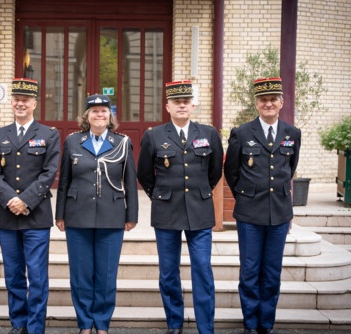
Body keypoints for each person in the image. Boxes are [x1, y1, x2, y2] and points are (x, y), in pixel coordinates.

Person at [137, 80, 223, 334]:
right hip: (166, 211)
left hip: (200, 210)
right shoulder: (154, 135)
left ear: (193, 105)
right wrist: (160, 196)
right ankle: (174, 322)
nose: (182, 105)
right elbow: (144, 174)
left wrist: (199, 193)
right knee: (168, 272)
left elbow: (215, 171)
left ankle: (205, 326)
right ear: (168, 106)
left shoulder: (208, 134)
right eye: (177, 102)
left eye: (186, 102)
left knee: (202, 270)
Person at [55, 94, 139, 334]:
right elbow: (64, 181)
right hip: (77, 216)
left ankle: (101, 323)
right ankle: (84, 323)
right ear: (87, 116)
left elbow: (130, 182)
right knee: (81, 274)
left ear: (110, 116)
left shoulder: (122, 142)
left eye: (104, 111)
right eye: (95, 111)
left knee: (106, 274)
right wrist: (60, 214)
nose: (99, 115)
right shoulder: (73, 142)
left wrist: (131, 214)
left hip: (112, 216)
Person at [224, 77, 301, 334]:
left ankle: (266, 323)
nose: (268, 104)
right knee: (250, 271)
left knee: (271, 271)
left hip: (279, 213)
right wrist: (247, 196)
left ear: (281, 102)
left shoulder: (292, 133)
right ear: (256, 103)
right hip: (249, 213)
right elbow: (232, 172)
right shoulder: (242, 133)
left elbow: (289, 170)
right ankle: (250, 323)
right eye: (263, 100)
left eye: (272, 99)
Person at [0, 78, 61, 334]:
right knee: (13, 274)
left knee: (37, 276)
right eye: (17, 99)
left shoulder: (49, 134)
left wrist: (25, 201)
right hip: (7, 216)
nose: (20, 103)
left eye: (25, 100)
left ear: (34, 104)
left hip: (36, 215)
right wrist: (11, 200)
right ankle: (18, 324)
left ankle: (35, 326)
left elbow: (49, 173)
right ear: (11, 102)